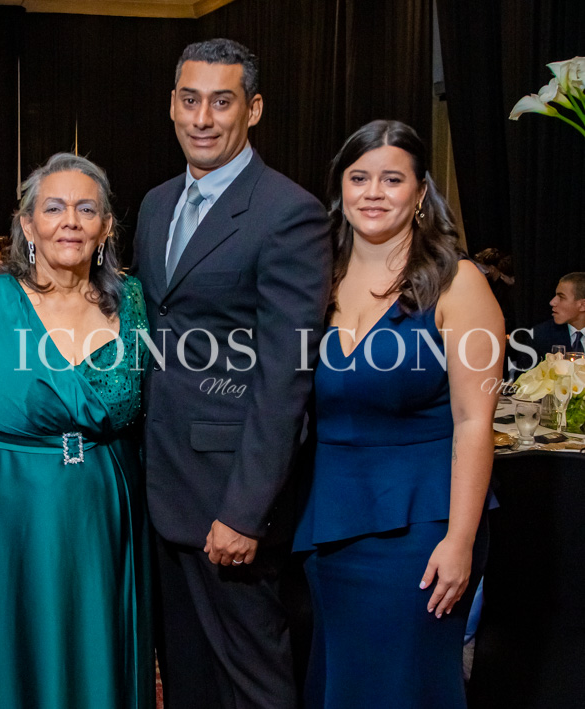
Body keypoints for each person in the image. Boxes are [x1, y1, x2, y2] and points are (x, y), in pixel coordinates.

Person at [131, 39, 331, 709]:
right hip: (160, 488)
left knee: (253, 682)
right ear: (171, 105)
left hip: (229, 503)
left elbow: (285, 377)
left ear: (254, 109)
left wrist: (244, 512)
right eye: (190, 100)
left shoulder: (288, 213)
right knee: (185, 674)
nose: (203, 118)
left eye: (222, 101)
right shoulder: (157, 204)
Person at [293, 119, 503, 708]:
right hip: (329, 524)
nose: (373, 192)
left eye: (392, 178)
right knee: (341, 686)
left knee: (405, 688)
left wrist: (460, 540)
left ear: (419, 193)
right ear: (341, 188)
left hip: (424, 529)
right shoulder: (319, 279)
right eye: (359, 178)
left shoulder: (458, 284)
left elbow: (473, 424)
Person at [0, 153, 153, 709]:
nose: (71, 221)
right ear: (27, 224)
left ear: (106, 227)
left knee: (96, 660)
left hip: (102, 521)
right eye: (53, 208)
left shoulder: (131, 302)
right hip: (5, 523)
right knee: (9, 667)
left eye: (87, 209)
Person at [511, 272, 585, 370]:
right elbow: (524, 380)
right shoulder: (540, 335)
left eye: (561, 297)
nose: (552, 302)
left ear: (582, 305)